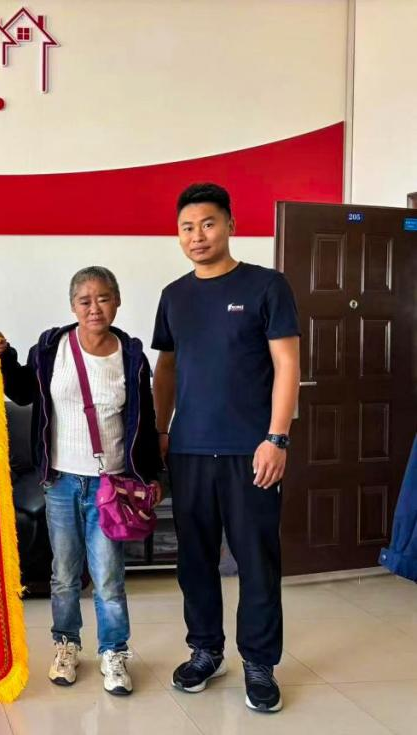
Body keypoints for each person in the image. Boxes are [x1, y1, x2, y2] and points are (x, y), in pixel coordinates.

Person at [152, 183, 300, 713]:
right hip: (189, 450)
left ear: (231, 225)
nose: (198, 235)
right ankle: (205, 651)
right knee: (194, 560)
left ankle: (259, 662)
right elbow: (166, 369)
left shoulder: (266, 286)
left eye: (208, 223)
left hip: (250, 451)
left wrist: (276, 437)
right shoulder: (174, 296)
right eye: (187, 227)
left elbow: (287, 364)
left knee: (256, 559)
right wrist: (161, 431)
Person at [0, 266, 162, 695]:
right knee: (64, 574)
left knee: (108, 577)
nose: (94, 308)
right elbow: (23, 391)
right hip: (61, 481)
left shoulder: (131, 356)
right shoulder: (52, 347)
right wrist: (5, 356)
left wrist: (149, 476)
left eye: (103, 298)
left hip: (110, 486)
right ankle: (66, 646)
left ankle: (114, 653)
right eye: (85, 300)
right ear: (73, 306)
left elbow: (144, 420)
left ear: (117, 302)